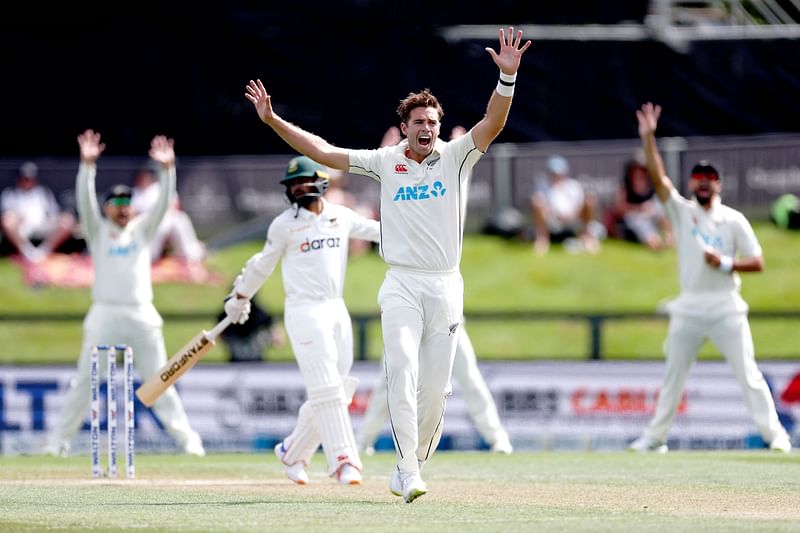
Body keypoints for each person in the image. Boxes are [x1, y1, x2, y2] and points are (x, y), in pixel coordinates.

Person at [243, 26, 531, 502]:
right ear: (405, 127)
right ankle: (406, 469)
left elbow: (493, 124)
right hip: (401, 284)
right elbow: (322, 152)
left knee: (436, 393)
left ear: (440, 126)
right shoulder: (384, 161)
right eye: (419, 121)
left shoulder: (456, 157)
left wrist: (507, 79)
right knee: (401, 370)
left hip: (446, 286)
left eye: (433, 122)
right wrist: (274, 120)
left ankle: (410, 465)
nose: (427, 128)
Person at [629, 102, 792, 454]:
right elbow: (658, 179)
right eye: (698, 178)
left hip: (726, 308)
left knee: (748, 374)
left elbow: (759, 262)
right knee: (674, 376)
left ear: (718, 183)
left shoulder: (733, 220)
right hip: (689, 307)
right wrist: (648, 138)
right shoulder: (682, 211)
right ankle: (655, 438)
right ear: (692, 183)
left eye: (709, 178)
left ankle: (776, 436)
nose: (703, 183)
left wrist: (725, 264)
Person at [43, 130, 205, 457]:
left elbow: (163, 207)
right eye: (117, 203)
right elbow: (85, 202)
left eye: (127, 203)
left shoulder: (142, 230)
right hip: (105, 313)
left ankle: (190, 445)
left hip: (141, 313)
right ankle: (55, 445)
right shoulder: (98, 230)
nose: (123, 208)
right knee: (85, 382)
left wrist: (167, 170)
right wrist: (87, 166)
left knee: (160, 381)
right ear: (107, 209)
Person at [223, 155, 380, 486]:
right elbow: (261, 264)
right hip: (303, 311)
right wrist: (239, 297)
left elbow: (380, 231)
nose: (298, 188)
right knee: (325, 387)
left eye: (303, 181)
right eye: (293, 184)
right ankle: (344, 460)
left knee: (340, 387)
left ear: (320, 182)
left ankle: (292, 451)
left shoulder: (340, 216)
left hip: (336, 309)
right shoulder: (284, 225)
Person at [356, 324, 513, 455]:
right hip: (407, 322)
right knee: (387, 382)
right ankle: (363, 441)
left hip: (447, 322)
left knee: (471, 378)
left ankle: (497, 438)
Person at [1, 161, 78, 263]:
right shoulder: (10, 194)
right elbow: (6, 217)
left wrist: (52, 218)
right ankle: (27, 252)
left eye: (30, 179)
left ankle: (43, 252)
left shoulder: (43, 192)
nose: (27, 181)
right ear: (19, 179)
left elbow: (54, 213)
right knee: (8, 220)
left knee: (67, 219)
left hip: (42, 225)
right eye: (25, 179)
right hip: (22, 228)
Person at [130, 164, 206, 262]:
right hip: (148, 224)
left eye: (146, 176)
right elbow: (133, 213)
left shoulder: (159, 188)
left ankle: (192, 254)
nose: (144, 178)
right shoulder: (135, 193)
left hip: (167, 219)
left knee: (181, 219)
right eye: (142, 176)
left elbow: (176, 205)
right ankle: (149, 256)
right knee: (157, 230)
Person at [530, 154, 602, 255]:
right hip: (552, 220)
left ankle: (586, 236)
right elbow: (539, 202)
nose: (556, 176)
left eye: (559, 173)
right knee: (537, 202)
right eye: (553, 173)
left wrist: (572, 214)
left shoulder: (573, 185)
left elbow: (580, 204)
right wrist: (554, 213)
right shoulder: (543, 185)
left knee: (590, 200)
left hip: (574, 219)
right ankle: (542, 239)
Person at [605, 150, 674, 251]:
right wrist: (640, 208)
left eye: (642, 169)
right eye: (636, 169)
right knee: (640, 222)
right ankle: (653, 242)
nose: (639, 172)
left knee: (659, 208)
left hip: (650, 214)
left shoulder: (651, 184)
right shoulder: (625, 186)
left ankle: (669, 236)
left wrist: (649, 208)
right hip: (633, 217)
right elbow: (620, 208)